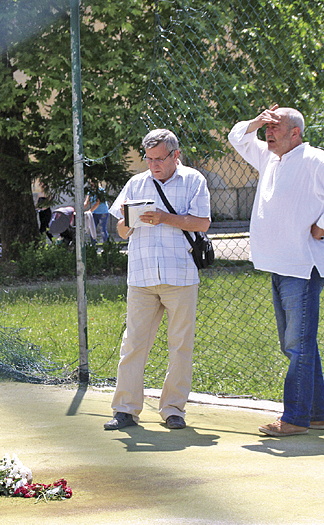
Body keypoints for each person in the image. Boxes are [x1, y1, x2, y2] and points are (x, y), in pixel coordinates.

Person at [228, 105, 324, 437]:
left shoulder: (315, 160)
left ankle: (295, 418)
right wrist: (257, 121)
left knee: (298, 344)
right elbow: (236, 136)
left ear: (296, 133)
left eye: (276, 127)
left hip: (302, 267)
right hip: (279, 264)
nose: (268, 133)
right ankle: (316, 415)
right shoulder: (269, 158)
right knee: (299, 343)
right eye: (267, 127)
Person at [103, 129, 211, 431]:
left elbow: (202, 223)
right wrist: (129, 221)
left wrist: (164, 217)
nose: (153, 165)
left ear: (175, 155)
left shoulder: (194, 181)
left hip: (181, 275)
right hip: (141, 276)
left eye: (159, 159)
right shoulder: (136, 184)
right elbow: (121, 231)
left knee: (180, 346)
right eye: (148, 159)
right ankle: (125, 410)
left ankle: (173, 409)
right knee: (134, 343)